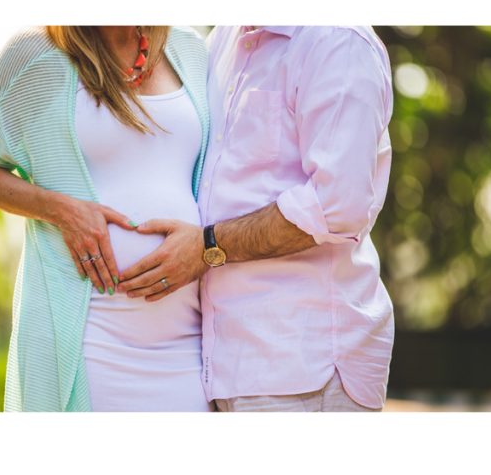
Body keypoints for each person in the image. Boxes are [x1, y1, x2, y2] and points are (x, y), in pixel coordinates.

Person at [117, 26, 395, 412]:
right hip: (226, 368)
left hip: (305, 368)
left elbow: (337, 207)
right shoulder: (225, 37)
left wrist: (208, 247)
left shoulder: (337, 41)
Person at [0, 26, 212, 411]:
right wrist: (63, 211)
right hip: (88, 342)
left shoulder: (191, 49)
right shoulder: (33, 54)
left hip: (189, 347)